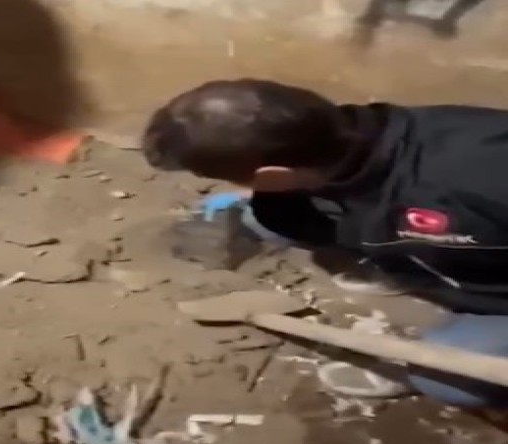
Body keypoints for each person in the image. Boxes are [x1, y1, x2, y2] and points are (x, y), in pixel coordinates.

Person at [141, 79, 508, 408]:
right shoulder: (341, 137)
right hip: (454, 246)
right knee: (267, 218)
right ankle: (402, 265)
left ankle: (440, 340)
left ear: (275, 173)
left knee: (446, 380)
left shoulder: (479, 179)